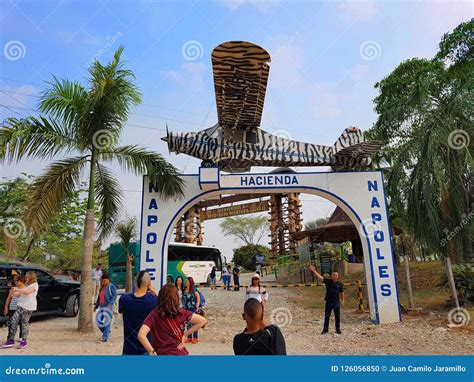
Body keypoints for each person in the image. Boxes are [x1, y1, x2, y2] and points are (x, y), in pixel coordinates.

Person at [138, 284, 207, 355]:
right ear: (176, 298)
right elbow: (203, 321)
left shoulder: (154, 314)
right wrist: (185, 335)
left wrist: (152, 352)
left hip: (161, 353)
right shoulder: (182, 313)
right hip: (179, 353)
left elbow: (141, 335)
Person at [118, 271, 158, 355]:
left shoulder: (124, 299)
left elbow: (120, 310)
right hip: (147, 347)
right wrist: (153, 291)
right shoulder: (153, 300)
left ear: (135, 283)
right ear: (149, 284)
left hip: (128, 350)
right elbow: (164, 303)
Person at [1, 271, 38, 349]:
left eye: (27, 276)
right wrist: (14, 294)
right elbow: (19, 295)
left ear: (31, 277)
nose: (25, 278)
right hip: (20, 306)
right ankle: (11, 340)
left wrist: (17, 290)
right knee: (13, 322)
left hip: (28, 307)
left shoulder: (34, 285)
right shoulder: (27, 285)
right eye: (25, 276)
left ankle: (24, 341)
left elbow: (27, 292)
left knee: (24, 323)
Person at [309, 265, 344, 335]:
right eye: (334, 275)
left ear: (338, 276)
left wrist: (342, 300)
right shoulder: (328, 281)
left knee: (337, 317)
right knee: (327, 316)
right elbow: (320, 277)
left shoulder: (340, 284)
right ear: (331, 276)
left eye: (336, 275)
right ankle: (325, 330)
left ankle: (338, 330)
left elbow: (342, 292)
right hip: (329, 302)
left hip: (336, 303)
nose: (335, 276)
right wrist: (314, 271)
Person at [94, 273, 117, 342]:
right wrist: (96, 306)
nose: (103, 282)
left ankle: (105, 337)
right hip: (101, 307)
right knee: (98, 321)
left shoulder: (111, 286)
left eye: (104, 281)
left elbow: (114, 296)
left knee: (107, 322)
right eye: (102, 281)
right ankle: (106, 331)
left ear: (108, 280)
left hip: (108, 307)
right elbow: (99, 297)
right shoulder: (102, 288)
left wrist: (110, 304)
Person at [1, 275, 25, 342]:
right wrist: (6, 308)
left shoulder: (26, 289)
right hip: (13, 308)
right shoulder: (13, 289)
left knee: (22, 323)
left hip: (22, 308)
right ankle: (10, 338)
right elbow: (8, 299)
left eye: (17, 281)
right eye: (15, 281)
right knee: (11, 323)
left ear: (22, 281)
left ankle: (21, 337)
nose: (16, 282)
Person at [182, 277, 200, 344]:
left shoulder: (194, 289)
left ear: (190, 282)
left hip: (192, 308)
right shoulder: (184, 289)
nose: (186, 282)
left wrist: (197, 304)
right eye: (186, 281)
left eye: (187, 281)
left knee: (194, 323)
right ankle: (189, 337)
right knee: (188, 323)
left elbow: (198, 297)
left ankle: (195, 337)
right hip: (186, 309)